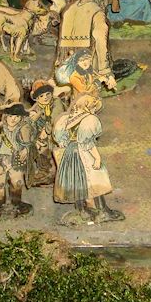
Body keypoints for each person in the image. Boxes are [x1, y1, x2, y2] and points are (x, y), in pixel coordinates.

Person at [52, 94, 123, 225]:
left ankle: (83, 211)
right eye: (93, 107)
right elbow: (88, 143)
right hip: (83, 153)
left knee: (77, 181)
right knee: (95, 180)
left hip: (70, 154)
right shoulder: (89, 120)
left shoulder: (67, 119)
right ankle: (102, 211)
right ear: (86, 106)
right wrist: (97, 158)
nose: (94, 110)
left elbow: (62, 140)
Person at [57, 0, 116, 91]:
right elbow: (100, 40)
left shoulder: (70, 8)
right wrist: (106, 71)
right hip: (86, 58)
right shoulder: (97, 11)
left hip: (66, 58)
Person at [26, 80, 64, 187]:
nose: (46, 97)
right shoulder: (39, 105)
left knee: (43, 146)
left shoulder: (56, 102)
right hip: (45, 132)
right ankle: (43, 169)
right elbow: (31, 113)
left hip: (59, 132)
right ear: (36, 98)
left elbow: (54, 119)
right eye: (41, 96)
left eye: (48, 94)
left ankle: (50, 171)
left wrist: (45, 131)